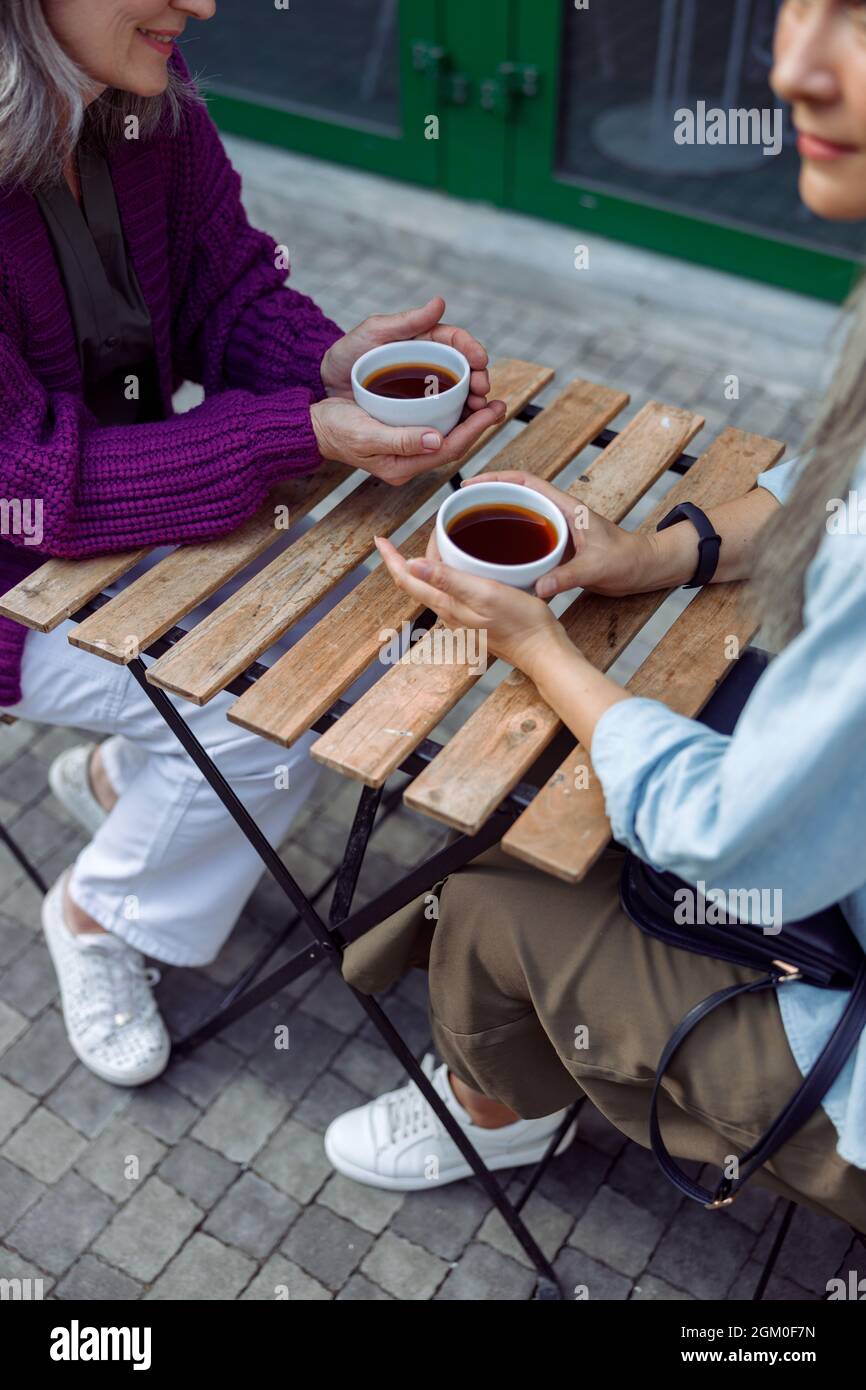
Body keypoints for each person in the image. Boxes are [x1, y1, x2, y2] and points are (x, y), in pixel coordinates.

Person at [325, 0, 866, 1232]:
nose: (789, 65)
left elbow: (724, 833)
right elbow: (823, 486)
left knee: (483, 896)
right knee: (547, 803)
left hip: (844, 1046)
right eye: (797, 1)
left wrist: (534, 644)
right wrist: (651, 554)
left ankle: (498, 1111)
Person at [0, 0, 503, 1086]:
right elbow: (29, 491)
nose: (206, 3)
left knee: (341, 629)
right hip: (13, 584)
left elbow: (230, 294)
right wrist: (296, 430)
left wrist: (331, 367)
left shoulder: (148, 107)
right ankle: (100, 909)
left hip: (123, 529)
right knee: (279, 715)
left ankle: (124, 773)